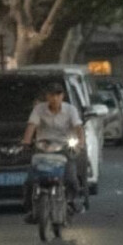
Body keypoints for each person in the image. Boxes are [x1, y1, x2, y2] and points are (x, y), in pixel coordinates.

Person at [22, 80, 85, 212]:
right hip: (43, 148)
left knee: (71, 178)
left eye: (58, 95)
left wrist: (80, 143)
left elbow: (78, 128)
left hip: (64, 148)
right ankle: (29, 206)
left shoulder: (70, 110)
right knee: (30, 180)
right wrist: (26, 142)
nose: (55, 98)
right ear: (47, 97)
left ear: (62, 96)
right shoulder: (39, 109)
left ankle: (71, 201)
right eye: (52, 95)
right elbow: (31, 126)